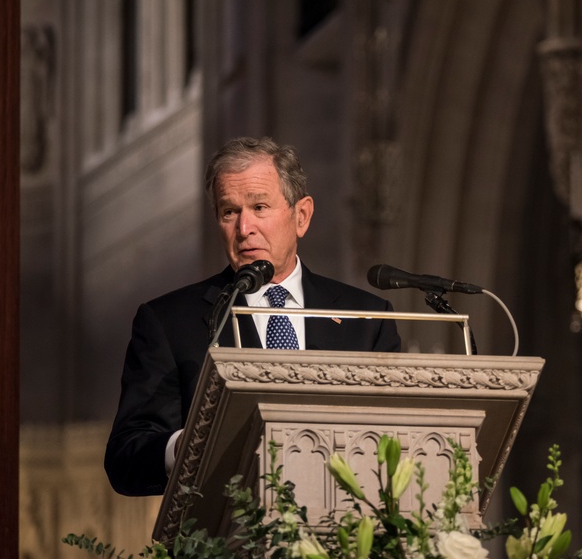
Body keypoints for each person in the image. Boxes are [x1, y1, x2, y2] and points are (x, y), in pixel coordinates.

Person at [105, 136, 402, 497]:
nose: (244, 228)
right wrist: (188, 446)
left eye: (260, 207)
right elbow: (126, 457)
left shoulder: (366, 317)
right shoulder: (169, 322)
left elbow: (395, 439)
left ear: (301, 216)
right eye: (229, 212)